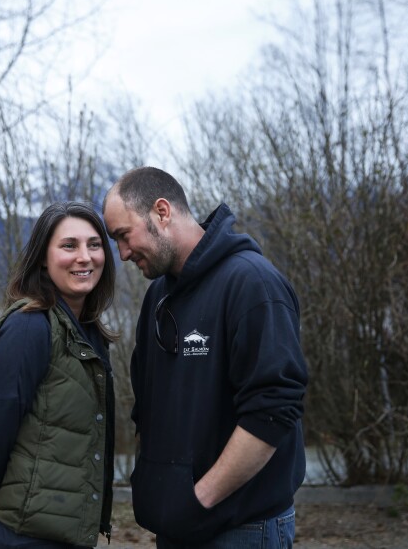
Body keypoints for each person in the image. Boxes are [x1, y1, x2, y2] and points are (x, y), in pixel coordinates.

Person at [102, 167, 308, 549]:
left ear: (162, 212)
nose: (123, 254)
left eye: (123, 236)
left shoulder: (252, 284)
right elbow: (147, 406)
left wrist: (199, 500)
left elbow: (274, 408)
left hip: (241, 530)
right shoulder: (158, 298)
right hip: (180, 530)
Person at [0, 201, 117, 549]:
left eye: (94, 244)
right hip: (23, 537)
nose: (84, 256)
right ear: (43, 256)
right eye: (69, 245)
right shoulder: (29, 327)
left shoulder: (88, 333)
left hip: (63, 535)